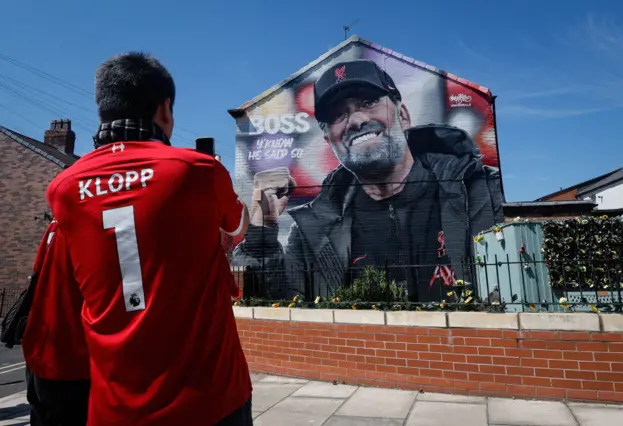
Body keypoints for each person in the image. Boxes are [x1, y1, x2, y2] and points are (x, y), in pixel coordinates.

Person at [44, 52, 252, 425]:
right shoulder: (200, 171)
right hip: (210, 400)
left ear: (103, 111)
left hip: (113, 406)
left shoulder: (63, 188)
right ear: (165, 109)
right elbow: (238, 229)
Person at [233, 59, 504, 302]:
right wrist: (262, 230)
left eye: (369, 102)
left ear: (403, 116)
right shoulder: (311, 231)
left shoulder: (475, 190)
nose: (356, 120)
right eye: (339, 115)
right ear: (329, 141)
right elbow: (275, 305)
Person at [22, 218, 90, 426]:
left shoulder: (55, 226)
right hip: (75, 355)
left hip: (42, 346)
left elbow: (36, 271)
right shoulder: (86, 225)